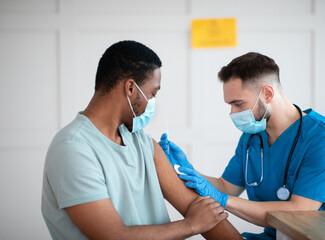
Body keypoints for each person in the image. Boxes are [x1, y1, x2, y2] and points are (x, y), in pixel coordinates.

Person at [41, 40, 243, 240]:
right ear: (130, 88)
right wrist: (191, 225)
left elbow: (196, 206)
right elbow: (113, 236)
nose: (152, 104)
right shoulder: (73, 149)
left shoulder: (142, 142)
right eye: (152, 93)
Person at [159, 52, 325, 240]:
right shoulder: (253, 137)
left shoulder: (324, 139)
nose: (232, 113)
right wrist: (183, 169)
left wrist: (223, 200)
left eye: (238, 103)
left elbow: (299, 212)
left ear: (267, 93)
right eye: (229, 105)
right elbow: (226, 186)